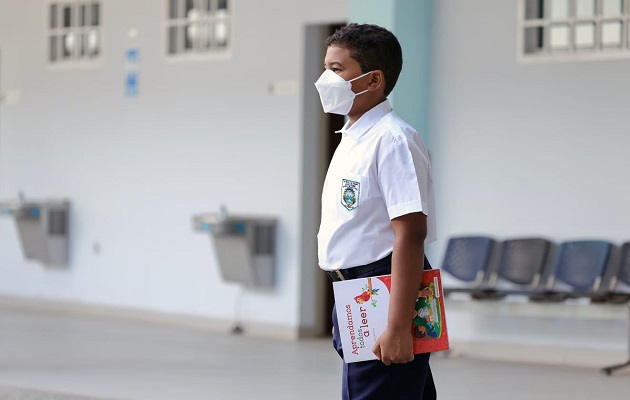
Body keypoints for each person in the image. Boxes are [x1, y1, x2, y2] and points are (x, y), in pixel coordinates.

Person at [315, 23, 437, 399]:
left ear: (373, 80)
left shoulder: (393, 140)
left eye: (337, 70)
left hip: (383, 288)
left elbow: (411, 234)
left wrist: (398, 325)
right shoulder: (353, 136)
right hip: (353, 288)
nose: (325, 79)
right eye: (326, 67)